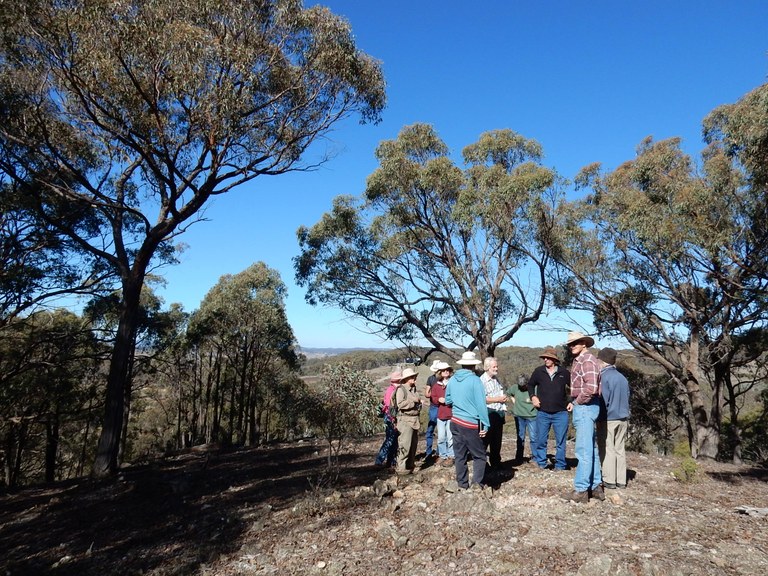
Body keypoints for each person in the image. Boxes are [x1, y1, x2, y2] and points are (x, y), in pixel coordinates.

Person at [564, 331, 603, 503]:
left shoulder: (587, 360)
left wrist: (578, 401)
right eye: (570, 344)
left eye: (575, 343)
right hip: (586, 405)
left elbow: (592, 387)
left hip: (586, 406)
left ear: (584, 344)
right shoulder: (582, 360)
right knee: (591, 449)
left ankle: (581, 490)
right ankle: (595, 487)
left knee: (583, 450)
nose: (572, 346)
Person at [445, 351, 491, 490]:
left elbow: (448, 400)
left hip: (455, 422)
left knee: (460, 455)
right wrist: (486, 425)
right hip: (470, 424)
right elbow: (481, 405)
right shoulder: (475, 380)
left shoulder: (452, 379)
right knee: (480, 456)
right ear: (473, 365)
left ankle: (462, 484)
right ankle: (477, 485)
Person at [528, 347, 572, 471]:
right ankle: (541, 463)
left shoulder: (564, 372)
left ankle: (560, 465)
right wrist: (533, 397)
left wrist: (572, 402)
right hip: (543, 412)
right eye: (544, 358)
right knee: (541, 440)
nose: (545, 359)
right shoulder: (538, 371)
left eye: (548, 358)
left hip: (561, 413)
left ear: (554, 359)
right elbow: (530, 385)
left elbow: (574, 387)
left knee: (561, 442)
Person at [596, 347, 630, 490]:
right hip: (623, 417)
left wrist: (598, 418)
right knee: (619, 449)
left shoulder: (604, 377)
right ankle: (621, 480)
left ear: (603, 361)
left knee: (607, 448)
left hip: (608, 418)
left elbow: (603, 400)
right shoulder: (622, 377)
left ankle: (609, 479)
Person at [480, 356, 508, 469]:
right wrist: (498, 399)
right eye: (494, 366)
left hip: (499, 412)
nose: (496, 368)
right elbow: (482, 398)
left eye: (497, 366)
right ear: (487, 367)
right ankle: (482, 465)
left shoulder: (496, 379)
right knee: (485, 440)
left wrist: (502, 398)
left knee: (497, 440)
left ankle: (496, 463)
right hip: (488, 413)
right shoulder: (482, 381)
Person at [394, 367, 422, 475]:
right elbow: (400, 404)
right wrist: (414, 402)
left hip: (414, 419)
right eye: (412, 377)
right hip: (405, 420)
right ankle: (401, 468)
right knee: (405, 444)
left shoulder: (414, 389)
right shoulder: (401, 389)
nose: (414, 379)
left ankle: (410, 465)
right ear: (407, 378)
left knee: (413, 444)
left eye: (414, 377)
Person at [429, 361, 454, 466]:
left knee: (450, 436)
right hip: (441, 414)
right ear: (440, 372)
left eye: (447, 370)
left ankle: (451, 456)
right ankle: (442, 455)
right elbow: (433, 397)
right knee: (441, 437)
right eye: (444, 370)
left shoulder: (453, 383)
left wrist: (448, 400)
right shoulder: (436, 385)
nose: (446, 372)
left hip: (451, 413)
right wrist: (438, 399)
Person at [375, 371, 401, 468]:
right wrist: (393, 419)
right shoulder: (392, 391)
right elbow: (390, 407)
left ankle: (391, 462)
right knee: (390, 440)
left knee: (394, 440)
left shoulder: (392, 389)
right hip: (390, 417)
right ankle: (379, 461)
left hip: (391, 417)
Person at [509, 374, 537, 463]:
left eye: (524, 385)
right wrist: (513, 399)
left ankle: (535, 457)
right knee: (520, 437)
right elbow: (508, 393)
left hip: (532, 416)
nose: (522, 387)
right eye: (520, 386)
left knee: (533, 437)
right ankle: (519, 457)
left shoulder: (534, 388)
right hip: (519, 416)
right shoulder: (515, 387)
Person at [423, 359, 441, 461]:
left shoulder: (431, 379)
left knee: (431, 430)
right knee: (438, 431)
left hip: (435, 407)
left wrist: (433, 395)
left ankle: (430, 452)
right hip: (437, 406)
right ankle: (435, 453)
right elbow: (427, 394)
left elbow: (427, 394)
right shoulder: (433, 379)